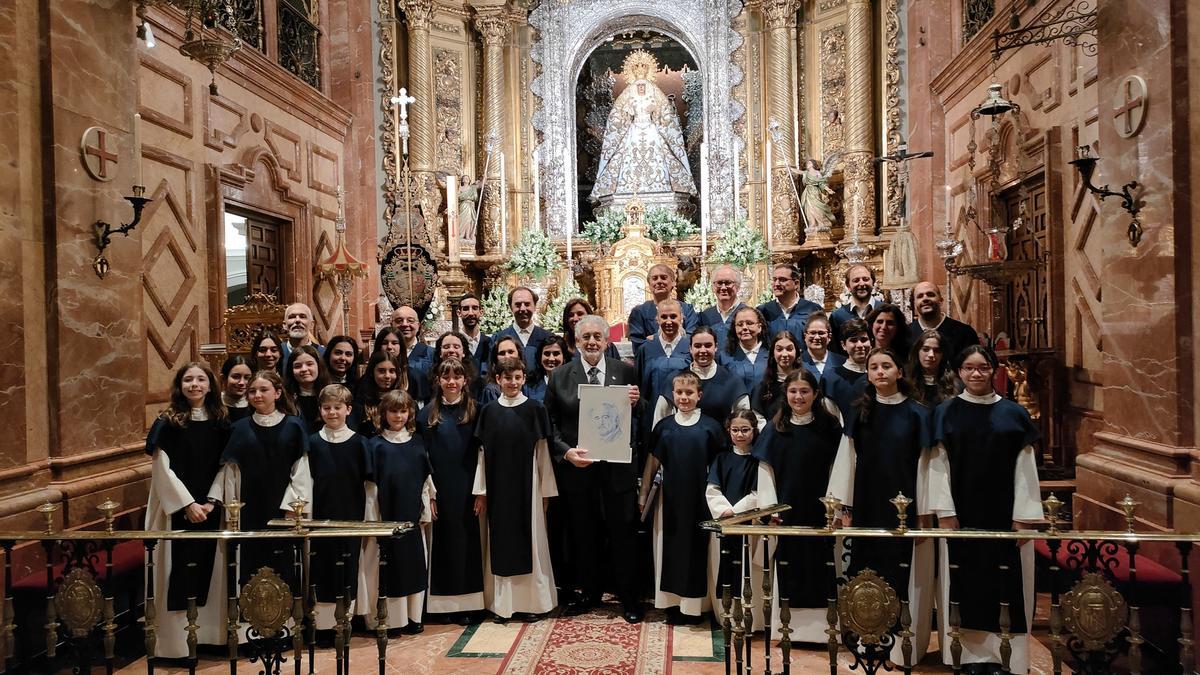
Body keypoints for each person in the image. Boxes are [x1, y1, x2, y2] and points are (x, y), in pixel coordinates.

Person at [828, 348, 948, 667]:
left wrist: (925, 513)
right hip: (868, 503)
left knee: (903, 575)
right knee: (867, 570)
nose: (880, 372)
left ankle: (899, 646)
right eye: (873, 367)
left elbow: (927, 465)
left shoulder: (918, 413)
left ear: (899, 372)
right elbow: (847, 460)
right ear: (867, 374)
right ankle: (867, 638)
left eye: (886, 366)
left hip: (907, 507)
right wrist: (845, 507)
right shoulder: (860, 412)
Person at [935, 346, 1041, 674]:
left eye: (983, 367)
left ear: (994, 370)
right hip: (961, 513)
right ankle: (967, 656)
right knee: (963, 583)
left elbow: (1026, 467)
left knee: (1005, 583)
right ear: (958, 372)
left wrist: (1023, 516)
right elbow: (939, 465)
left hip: (1004, 512)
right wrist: (945, 511)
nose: (976, 374)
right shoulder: (945, 412)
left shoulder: (1013, 413)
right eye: (968, 368)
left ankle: (1004, 655)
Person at [543, 315, 644, 623]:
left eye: (596, 337)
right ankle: (589, 593)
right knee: (584, 533)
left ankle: (628, 598)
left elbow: (640, 418)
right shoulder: (560, 377)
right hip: (578, 470)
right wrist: (566, 453)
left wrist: (638, 402)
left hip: (616, 472)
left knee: (622, 534)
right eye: (585, 337)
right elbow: (550, 425)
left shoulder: (624, 372)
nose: (591, 342)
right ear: (576, 341)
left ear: (606, 341)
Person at [144, 362, 230, 658]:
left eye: (201, 379)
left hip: (210, 509)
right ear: (180, 386)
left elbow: (225, 465)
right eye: (188, 379)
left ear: (210, 385)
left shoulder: (221, 420)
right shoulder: (168, 422)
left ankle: (206, 637)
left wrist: (211, 500)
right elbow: (162, 468)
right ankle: (175, 646)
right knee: (175, 573)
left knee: (210, 570)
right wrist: (188, 504)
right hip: (175, 511)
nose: (195, 384)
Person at [753, 369, 845, 642]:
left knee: (822, 567)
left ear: (815, 394)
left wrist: (837, 506)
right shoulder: (775, 427)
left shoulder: (829, 427)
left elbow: (839, 468)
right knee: (788, 567)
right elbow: (765, 470)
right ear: (786, 394)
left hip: (821, 510)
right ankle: (789, 630)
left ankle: (823, 632)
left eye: (805, 391)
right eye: (793, 391)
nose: (798, 396)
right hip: (786, 511)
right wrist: (770, 510)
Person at [473, 358, 559, 622]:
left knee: (530, 539)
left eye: (518, 378)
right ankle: (503, 605)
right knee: (500, 540)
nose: (512, 383)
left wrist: (545, 491)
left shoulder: (535, 409)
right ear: (498, 379)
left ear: (524, 379)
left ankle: (532, 601)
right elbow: (482, 454)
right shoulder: (488, 411)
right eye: (507, 378)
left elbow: (543, 452)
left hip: (529, 486)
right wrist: (481, 491)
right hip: (498, 488)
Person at [639, 370, 725, 624]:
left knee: (699, 549)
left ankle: (697, 605)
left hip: (701, 500)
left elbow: (720, 465)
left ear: (699, 395)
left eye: (689, 393)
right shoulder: (664, 428)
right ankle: (673, 603)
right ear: (672, 395)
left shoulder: (711, 427)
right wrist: (643, 494)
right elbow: (652, 462)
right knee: (671, 549)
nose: (684, 397)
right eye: (679, 393)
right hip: (670, 501)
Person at [214, 369, 311, 585]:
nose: (257, 395)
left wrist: (293, 506)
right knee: (250, 563)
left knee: (283, 564)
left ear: (277, 393)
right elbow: (230, 470)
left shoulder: (294, 426)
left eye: (263, 390)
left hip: (282, 508)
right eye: (252, 391)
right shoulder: (239, 428)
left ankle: (284, 616)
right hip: (249, 508)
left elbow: (301, 470)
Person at [417, 359, 485, 625]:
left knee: (467, 543)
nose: (452, 382)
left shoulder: (475, 412)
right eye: (446, 378)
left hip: (468, 487)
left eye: (457, 377)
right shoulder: (426, 415)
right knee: (442, 545)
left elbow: (482, 454)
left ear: (465, 381)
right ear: (438, 381)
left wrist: (481, 491)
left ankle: (470, 604)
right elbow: (422, 458)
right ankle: (442, 606)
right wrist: (430, 495)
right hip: (440, 490)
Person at [362, 389, 435, 633]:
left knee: (413, 565)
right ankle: (391, 620)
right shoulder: (375, 445)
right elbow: (371, 488)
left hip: (412, 517)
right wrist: (373, 520)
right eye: (393, 411)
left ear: (410, 413)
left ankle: (413, 618)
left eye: (403, 411)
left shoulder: (416, 443)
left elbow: (425, 483)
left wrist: (424, 513)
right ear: (384, 413)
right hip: (385, 516)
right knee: (388, 568)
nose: (398, 416)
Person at [305, 384, 369, 630]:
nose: (332, 412)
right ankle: (320, 624)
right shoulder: (313, 442)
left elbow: (368, 485)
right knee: (321, 568)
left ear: (348, 409)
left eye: (337, 407)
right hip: (321, 515)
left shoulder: (359, 443)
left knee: (348, 567)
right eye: (327, 408)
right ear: (320, 410)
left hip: (350, 515)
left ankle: (344, 622)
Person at [705, 410, 762, 631]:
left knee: (747, 571)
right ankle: (725, 615)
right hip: (725, 525)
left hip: (749, 526)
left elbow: (758, 493)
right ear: (728, 431)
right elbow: (712, 489)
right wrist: (725, 512)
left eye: (745, 429)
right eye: (735, 430)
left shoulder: (759, 460)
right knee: (725, 568)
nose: (740, 434)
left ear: (754, 431)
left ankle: (750, 618)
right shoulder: (722, 458)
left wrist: (737, 512)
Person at [652, 326, 749, 425]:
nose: (703, 350)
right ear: (690, 348)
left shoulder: (732, 381)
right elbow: (660, 422)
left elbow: (744, 423)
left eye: (708, 345)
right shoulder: (674, 380)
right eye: (697, 346)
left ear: (716, 347)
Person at [634, 299, 692, 413]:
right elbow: (639, 385)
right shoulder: (645, 349)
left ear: (681, 318)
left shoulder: (691, 347)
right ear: (657, 319)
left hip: (685, 412)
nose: (668, 321)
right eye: (664, 317)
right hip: (651, 412)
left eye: (673, 316)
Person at [626, 264, 699, 351]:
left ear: (673, 282)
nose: (659, 281)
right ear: (649, 284)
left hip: (683, 360)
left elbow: (693, 339)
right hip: (652, 361)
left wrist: (654, 338)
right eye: (654, 278)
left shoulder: (687, 309)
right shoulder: (639, 312)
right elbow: (639, 346)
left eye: (664, 277)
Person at [910, 281, 980, 361]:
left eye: (930, 295)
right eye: (920, 296)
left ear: (941, 301)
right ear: (914, 304)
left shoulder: (965, 333)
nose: (925, 298)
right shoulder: (905, 335)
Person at [492, 287, 553, 372]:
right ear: (510, 307)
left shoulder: (547, 337)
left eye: (527, 304)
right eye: (518, 304)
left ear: (535, 306)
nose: (523, 309)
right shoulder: (498, 338)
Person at [757, 263, 822, 338]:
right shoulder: (763, 311)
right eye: (774, 279)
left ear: (796, 283)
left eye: (782, 280)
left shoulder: (812, 310)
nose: (776, 284)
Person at [750, 331, 801, 424]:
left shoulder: (806, 384)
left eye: (789, 349)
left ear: (797, 352)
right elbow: (758, 419)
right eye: (779, 349)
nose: (785, 354)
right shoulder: (762, 388)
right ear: (772, 353)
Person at [825, 318, 871, 419]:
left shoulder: (878, 375)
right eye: (853, 340)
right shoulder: (831, 379)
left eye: (864, 340)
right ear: (843, 345)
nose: (860, 345)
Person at [829, 265, 881, 354]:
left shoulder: (885, 312)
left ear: (873, 282)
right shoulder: (838, 316)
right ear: (848, 286)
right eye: (856, 280)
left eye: (866, 279)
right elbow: (834, 351)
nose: (861, 284)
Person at [354, 352, 406, 437]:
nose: (387, 376)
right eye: (381, 371)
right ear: (371, 372)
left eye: (392, 371)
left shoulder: (405, 401)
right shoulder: (360, 402)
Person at [284, 344, 331, 434]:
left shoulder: (330, 395)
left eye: (309, 364)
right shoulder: (285, 398)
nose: (304, 369)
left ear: (319, 366)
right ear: (291, 370)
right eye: (297, 366)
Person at [722, 306, 769, 393]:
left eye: (749, 323)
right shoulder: (725, 357)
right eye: (740, 324)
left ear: (759, 327)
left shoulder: (771, 355)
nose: (744, 327)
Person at [698, 265, 746, 350]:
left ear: (738, 286)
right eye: (719, 283)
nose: (723, 288)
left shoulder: (749, 314)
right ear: (713, 287)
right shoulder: (704, 316)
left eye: (728, 283)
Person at [907, 329, 958, 406]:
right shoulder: (905, 383)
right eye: (925, 349)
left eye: (937, 351)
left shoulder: (955, 384)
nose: (931, 355)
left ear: (943, 355)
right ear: (917, 352)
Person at [800, 312, 846, 389]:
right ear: (805, 336)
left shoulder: (842, 362)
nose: (817, 337)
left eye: (821, 333)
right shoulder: (797, 363)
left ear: (829, 336)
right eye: (812, 333)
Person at [480, 335, 523, 404]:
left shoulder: (527, 385)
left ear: (519, 355)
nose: (507, 356)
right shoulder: (491, 390)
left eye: (511, 352)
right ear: (495, 358)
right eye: (502, 353)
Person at [392, 306, 433, 376]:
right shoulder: (383, 353)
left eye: (410, 320)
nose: (405, 324)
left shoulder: (431, 354)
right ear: (391, 325)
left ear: (418, 325)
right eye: (399, 321)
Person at [457, 294, 493, 374]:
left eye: (475, 308)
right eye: (466, 308)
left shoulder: (490, 343)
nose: (470, 313)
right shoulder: (454, 344)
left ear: (481, 312)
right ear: (459, 313)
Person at [526, 335, 567, 402]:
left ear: (564, 357)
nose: (551, 358)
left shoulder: (573, 383)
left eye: (556, 354)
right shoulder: (530, 385)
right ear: (540, 357)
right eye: (547, 354)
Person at [220, 355, 253, 422]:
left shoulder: (255, 405)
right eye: (236, 377)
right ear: (223, 378)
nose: (242, 382)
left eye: (247, 378)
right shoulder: (215, 403)